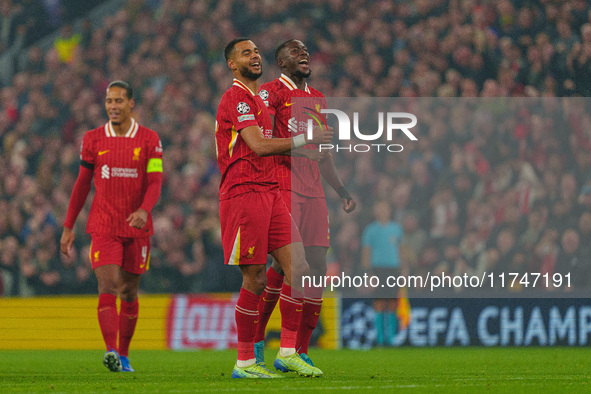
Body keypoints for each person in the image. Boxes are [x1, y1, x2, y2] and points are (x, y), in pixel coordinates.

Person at [216, 38, 332, 378]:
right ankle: (245, 362)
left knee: (299, 267)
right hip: (244, 193)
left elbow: (273, 148)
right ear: (232, 65)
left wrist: (308, 154)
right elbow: (258, 145)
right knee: (253, 279)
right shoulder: (235, 97)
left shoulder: (260, 102)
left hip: (271, 192)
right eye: (244, 53)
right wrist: (304, 139)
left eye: (255, 51)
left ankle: (287, 351)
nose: (254, 56)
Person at [254, 39, 356, 368]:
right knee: (288, 266)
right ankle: (257, 341)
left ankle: (300, 350)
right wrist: (305, 147)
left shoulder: (318, 99)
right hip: (284, 186)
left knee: (316, 271)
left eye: (306, 52)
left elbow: (322, 153)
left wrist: (341, 190)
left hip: (315, 192)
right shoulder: (271, 92)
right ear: (281, 62)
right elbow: (266, 142)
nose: (304, 55)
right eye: (295, 52)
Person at [60, 80, 163, 373]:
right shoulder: (93, 139)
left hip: (137, 227)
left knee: (129, 293)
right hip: (104, 225)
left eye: (119, 101)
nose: (113, 106)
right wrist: (69, 226)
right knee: (107, 286)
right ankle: (111, 351)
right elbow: (81, 185)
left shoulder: (149, 139)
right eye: (109, 101)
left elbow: (155, 181)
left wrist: (144, 210)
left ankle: (125, 355)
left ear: (131, 103)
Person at [361, 200, 407, 346]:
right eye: (379, 208)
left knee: (393, 302)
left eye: (384, 208)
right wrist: (368, 272)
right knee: (379, 302)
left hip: (393, 269)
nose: (382, 211)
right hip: (377, 269)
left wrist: (404, 268)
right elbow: (366, 252)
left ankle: (391, 337)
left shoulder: (396, 229)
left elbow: (401, 250)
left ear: (389, 210)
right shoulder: (370, 230)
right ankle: (380, 337)